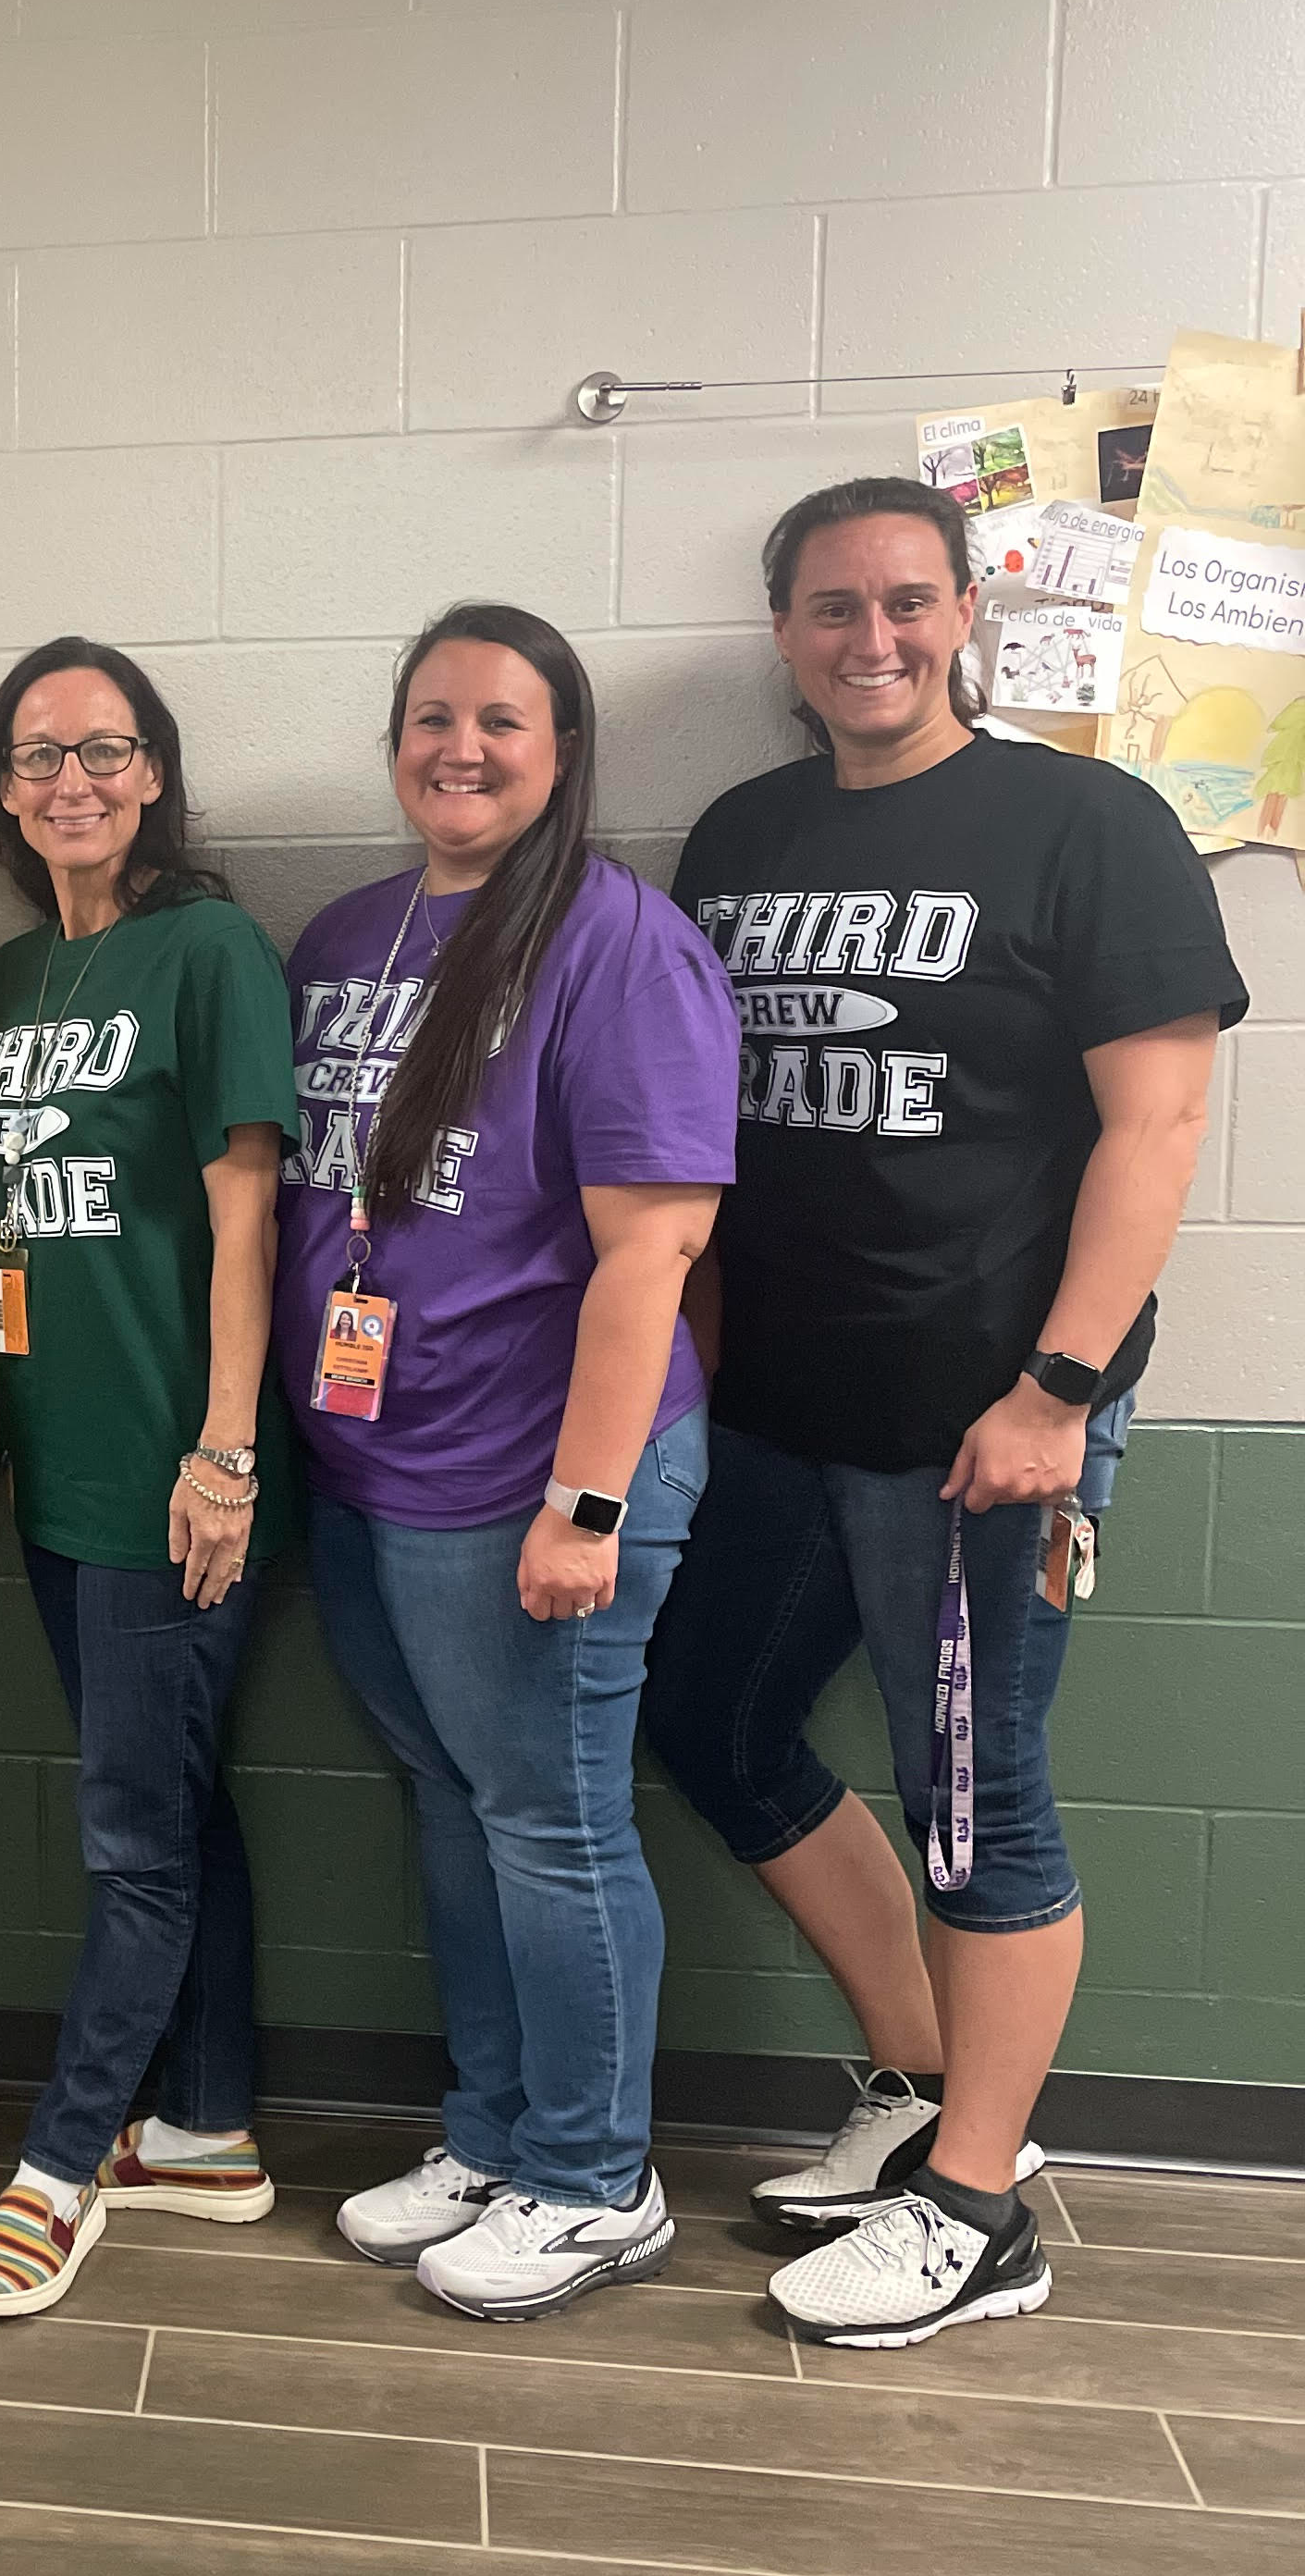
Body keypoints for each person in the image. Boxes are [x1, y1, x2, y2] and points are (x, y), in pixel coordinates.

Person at [641, 476, 1246, 2348]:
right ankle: (916, 2087)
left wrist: (1059, 1389)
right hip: (779, 1417)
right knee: (716, 1722)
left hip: (986, 1422)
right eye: (832, 609)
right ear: (784, 635)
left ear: (967, 608)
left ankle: (984, 2208)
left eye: (907, 602)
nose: (873, 639)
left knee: (977, 1808)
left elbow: (1156, 1127)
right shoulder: (738, 837)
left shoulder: (1090, 823)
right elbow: (696, 1132)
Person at [281, 607, 741, 2320]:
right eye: (429, 715)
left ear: (563, 750)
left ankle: (593, 2173)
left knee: (552, 1827)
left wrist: (589, 1500)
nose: (459, 746)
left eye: (501, 719)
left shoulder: (622, 945)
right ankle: (494, 2130)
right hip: (373, 1470)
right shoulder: (348, 935)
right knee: (462, 1812)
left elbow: (651, 1255)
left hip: (537, 1476)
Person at [0, 637, 300, 2322]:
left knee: (131, 1839)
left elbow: (249, 1215)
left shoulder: (209, 949)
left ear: (152, 769)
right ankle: (208, 2130)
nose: (68, 779)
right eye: (34, 755)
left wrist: (224, 1452)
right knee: (168, 1799)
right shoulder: (5, 983)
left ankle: (60, 2167)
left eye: (101, 747)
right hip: (57, 1473)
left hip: (176, 1480)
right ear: (1, 792)